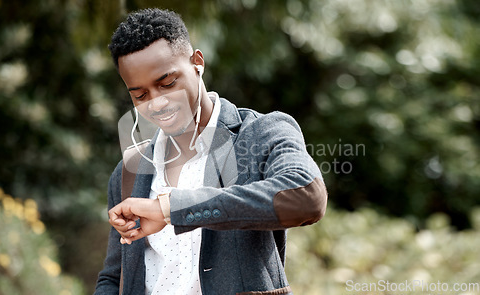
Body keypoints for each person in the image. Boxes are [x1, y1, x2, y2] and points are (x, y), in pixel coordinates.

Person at [94, 8, 328, 295]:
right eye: (140, 95)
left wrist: (170, 209)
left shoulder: (263, 133)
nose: (156, 103)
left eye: (167, 83)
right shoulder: (130, 169)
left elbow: (307, 197)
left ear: (197, 63)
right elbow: (114, 277)